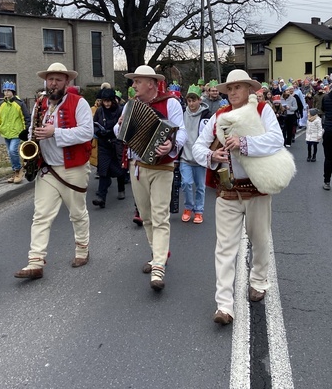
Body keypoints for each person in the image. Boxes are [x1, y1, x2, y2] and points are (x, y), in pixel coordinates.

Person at [192, 69, 285, 326]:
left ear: (248, 89)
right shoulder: (218, 116)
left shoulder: (262, 110)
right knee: (224, 248)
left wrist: (244, 144)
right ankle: (224, 305)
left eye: (238, 88)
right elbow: (198, 147)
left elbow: (277, 140)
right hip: (228, 190)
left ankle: (258, 281)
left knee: (260, 240)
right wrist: (212, 157)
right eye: (229, 89)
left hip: (256, 189)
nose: (233, 93)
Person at [14, 63, 93, 280]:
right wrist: (30, 147)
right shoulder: (40, 104)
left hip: (73, 168)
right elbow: (32, 130)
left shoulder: (79, 103)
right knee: (40, 216)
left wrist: (55, 132)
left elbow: (87, 132)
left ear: (67, 82)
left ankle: (82, 249)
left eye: (58, 79)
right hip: (47, 168)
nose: (53, 83)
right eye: (50, 80)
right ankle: (35, 261)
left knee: (77, 212)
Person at [116, 65, 187, 291]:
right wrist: (119, 127)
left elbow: (182, 131)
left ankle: (158, 267)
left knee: (160, 216)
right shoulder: (130, 105)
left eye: (138, 81)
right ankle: (158, 254)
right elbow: (120, 135)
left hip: (162, 167)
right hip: (137, 164)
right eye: (134, 81)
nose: (134, 85)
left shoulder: (171, 103)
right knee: (146, 216)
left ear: (151, 84)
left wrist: (171, 144)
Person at [180, 84, 211, 224]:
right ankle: (188, 207)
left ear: (200, 100)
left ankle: (199, 211)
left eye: (194, 100)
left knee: (200, 186)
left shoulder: (206, 115)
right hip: (185, 157)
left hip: (199, 158)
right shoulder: (182, 114)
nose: (191, 103)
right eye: (189, 101)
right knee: (186, 183)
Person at [92, 88, 126, 207]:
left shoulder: (120, 110)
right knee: (103, 170)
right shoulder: (99, 111)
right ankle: (101, 197)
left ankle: (121, 188)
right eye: (104, 101)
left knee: (119, 169)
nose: (106, 104)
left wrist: (112, 132)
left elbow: (123, 126)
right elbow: (94, 124)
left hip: (116, 143)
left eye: (108, 101)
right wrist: (99, 132)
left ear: (113, 100)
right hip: (103, 144)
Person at [0, 81, 31, 183]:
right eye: (4, 90)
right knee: (10, 153)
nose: (6, 93)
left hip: (16, 132)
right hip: (6, 132)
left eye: (8, 90)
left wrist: (26, 131)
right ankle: (15, 172)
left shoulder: (19, 104)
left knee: (12, 151)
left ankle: (18, 170)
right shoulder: (0, 104)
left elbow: (26, 117)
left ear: (13, 92)